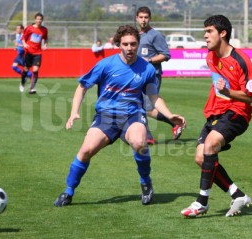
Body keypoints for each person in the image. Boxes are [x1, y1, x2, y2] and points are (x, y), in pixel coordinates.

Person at [54, 25, 186, 207]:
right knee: (85, 151)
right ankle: (68, 192)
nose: (129, 48)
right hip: (106, 117)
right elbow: (82, 86)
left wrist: (170, 116)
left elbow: (154, 97)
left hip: (133, 115)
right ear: (119, 44)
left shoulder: (147, 69)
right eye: (125, 44)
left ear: (138, 44)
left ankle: (146, 182)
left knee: (140, 143)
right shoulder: (106, 65)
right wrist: (74, 112)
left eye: (133, 44)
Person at [181, 15, 252, 218]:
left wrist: (228, 92)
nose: (205, 36)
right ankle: (237, 194)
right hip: (215, 113)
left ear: (222, 33)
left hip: (237, 112)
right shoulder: (210, 57)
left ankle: (201, 202)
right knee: (201, 158)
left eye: (209, 31)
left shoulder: (242, 60)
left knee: (210, 144)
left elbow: (250, 97)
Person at [136, 6, 183, 144]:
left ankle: (149, 136)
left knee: (145, 106)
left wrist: (149, 60)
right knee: (144, 107)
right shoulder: (137, 35)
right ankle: (173, 124)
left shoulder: (155, 35)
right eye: (141, 17)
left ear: (149, 18)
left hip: (152, 75)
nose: (143, 20)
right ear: (137, 18)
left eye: (146, 17)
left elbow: (166, 55)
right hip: (139, 76)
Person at [21, 12, 48, 94]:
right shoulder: (29, 28)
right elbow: (23, 38)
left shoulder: (44, 30)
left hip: (38, 53)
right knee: (26, 69)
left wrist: (45, 45)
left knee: (35, 70)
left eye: (40, 19)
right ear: (35, 19)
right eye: (37, 19)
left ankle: (31, 88)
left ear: (42, 20)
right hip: (29, 52)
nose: (39, 21)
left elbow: (46, 39)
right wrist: (25, 44)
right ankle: (22, 84)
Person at [12, 24, 32, 92]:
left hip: (23, 55)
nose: (16, 30)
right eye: (16, 28)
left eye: (18, 28)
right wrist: (16, 47)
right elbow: (18, 45)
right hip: (19, 55)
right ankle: (25, 76)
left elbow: (27, 46)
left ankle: (31, 81)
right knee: (14, 67)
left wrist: (19, 45)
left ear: (22, 29)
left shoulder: (25, 36)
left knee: (27, 71)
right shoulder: (18, 35)